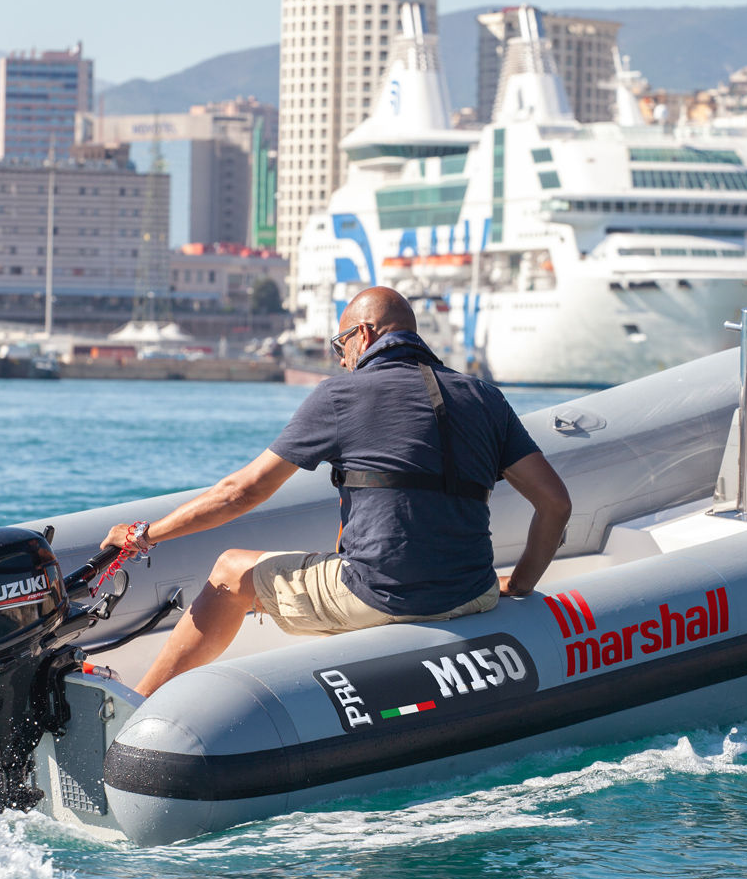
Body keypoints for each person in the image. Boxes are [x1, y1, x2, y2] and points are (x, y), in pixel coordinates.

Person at [104, 286, 572, 697]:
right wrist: (521, 584)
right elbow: (555, 503)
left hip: (383, 597)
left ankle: (137, 704)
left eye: (339, 345)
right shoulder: (485, 397)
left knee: (231, 570)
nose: (340, 359)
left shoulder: (340, 397)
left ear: (364, 335)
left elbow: (238, 493)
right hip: (474, 594)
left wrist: (145, 534)